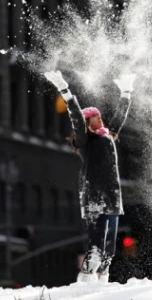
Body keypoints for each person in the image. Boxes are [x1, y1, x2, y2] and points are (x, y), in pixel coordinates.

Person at [44, 70, 135, 283]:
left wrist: (126, 92)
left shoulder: (108, 135)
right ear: (87, 123)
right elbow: (75, 116)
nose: (99, 118)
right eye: (94, 117)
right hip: (94, 193)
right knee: (96, 245)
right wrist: (64, 90)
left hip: (112, 195)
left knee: (110, 248)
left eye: (99, 116)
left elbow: (120, 117)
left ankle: (103, 279)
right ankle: (85, 280)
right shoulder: (86, 140)